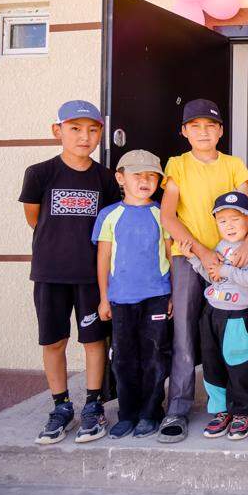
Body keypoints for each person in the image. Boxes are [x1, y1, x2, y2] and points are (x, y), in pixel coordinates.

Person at [19, 100, 121, 445]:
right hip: (50, 273)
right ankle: (61, 406)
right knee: (53, 340)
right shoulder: (39, 173)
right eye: (75, 129)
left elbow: (109, 229)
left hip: (91, 275)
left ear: (100, 134)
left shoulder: (105, 178)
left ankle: (93, 405)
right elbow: (34, 218)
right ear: (57, 131)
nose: (84, 137)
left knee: (94, 340)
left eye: (92, 130)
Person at [158, 99, 248, 443]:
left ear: (221, 131)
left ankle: (236, 406)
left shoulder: (233, 164)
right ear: (184, 131)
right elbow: (168, 216)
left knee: (230, 334)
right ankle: (178, 407)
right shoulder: (177, 165)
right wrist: (202, 251)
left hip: (230, 258)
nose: (203, 132)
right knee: (185, 332)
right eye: (195, 126)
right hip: (189, 257)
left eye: (210, 126)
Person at [92, 150, 172, 440]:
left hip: (157, 296)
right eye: (137, 175)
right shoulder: (109, 215)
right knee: (123, 358)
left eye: (151, 176)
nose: (144, 181)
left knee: (155, 356)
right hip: (121, 299)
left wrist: (173, 294)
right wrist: (104, 297)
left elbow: (170, 254)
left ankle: (151, 412)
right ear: (120, 178)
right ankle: (127, 414)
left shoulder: (162, 214)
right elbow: (103, 258)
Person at [177, 191, 248, 441]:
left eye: (235, 219)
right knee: (212, 365)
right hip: (212, 314)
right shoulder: (219, 246)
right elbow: (212, 276)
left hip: (237, 316)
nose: (229, 225)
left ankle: (243, 411)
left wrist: (225, 269)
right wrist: (195, 260)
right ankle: (220, 410)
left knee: (239, 365)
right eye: (223, 221)